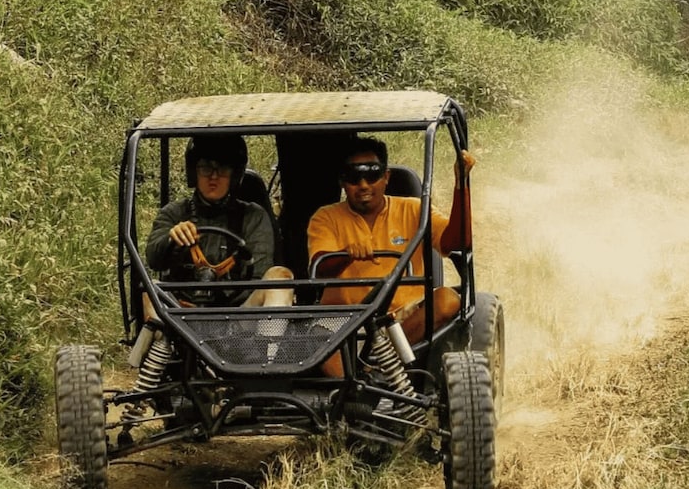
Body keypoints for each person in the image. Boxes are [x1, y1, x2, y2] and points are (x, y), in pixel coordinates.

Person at [307, 136, 475, 377]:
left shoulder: (414, 209)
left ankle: (376, 368)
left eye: (372, 174)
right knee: (314, 337)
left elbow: (456, 242)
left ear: (386, 177)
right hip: (344, 322)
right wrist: (347, 255)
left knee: (448, 299)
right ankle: (351, 395)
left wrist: (461, 185)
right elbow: (320, 268)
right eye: (354, 177)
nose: (364, 185)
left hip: (402, 320)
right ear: (343, 182)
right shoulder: (325, 217)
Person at [144, 134, 293, 312]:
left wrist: (225, 297)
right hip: (179, 314)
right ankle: (159, 340)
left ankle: (270, 340)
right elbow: (153, 259)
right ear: (194, 172)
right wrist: (171, 240)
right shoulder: (174, 213)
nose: (213, 177)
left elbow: (260, 274)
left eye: (222, 169)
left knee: (279, 277)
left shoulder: (253, 216)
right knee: (150, 288)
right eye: (206, 168)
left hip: (239, 315)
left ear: (234, 174)